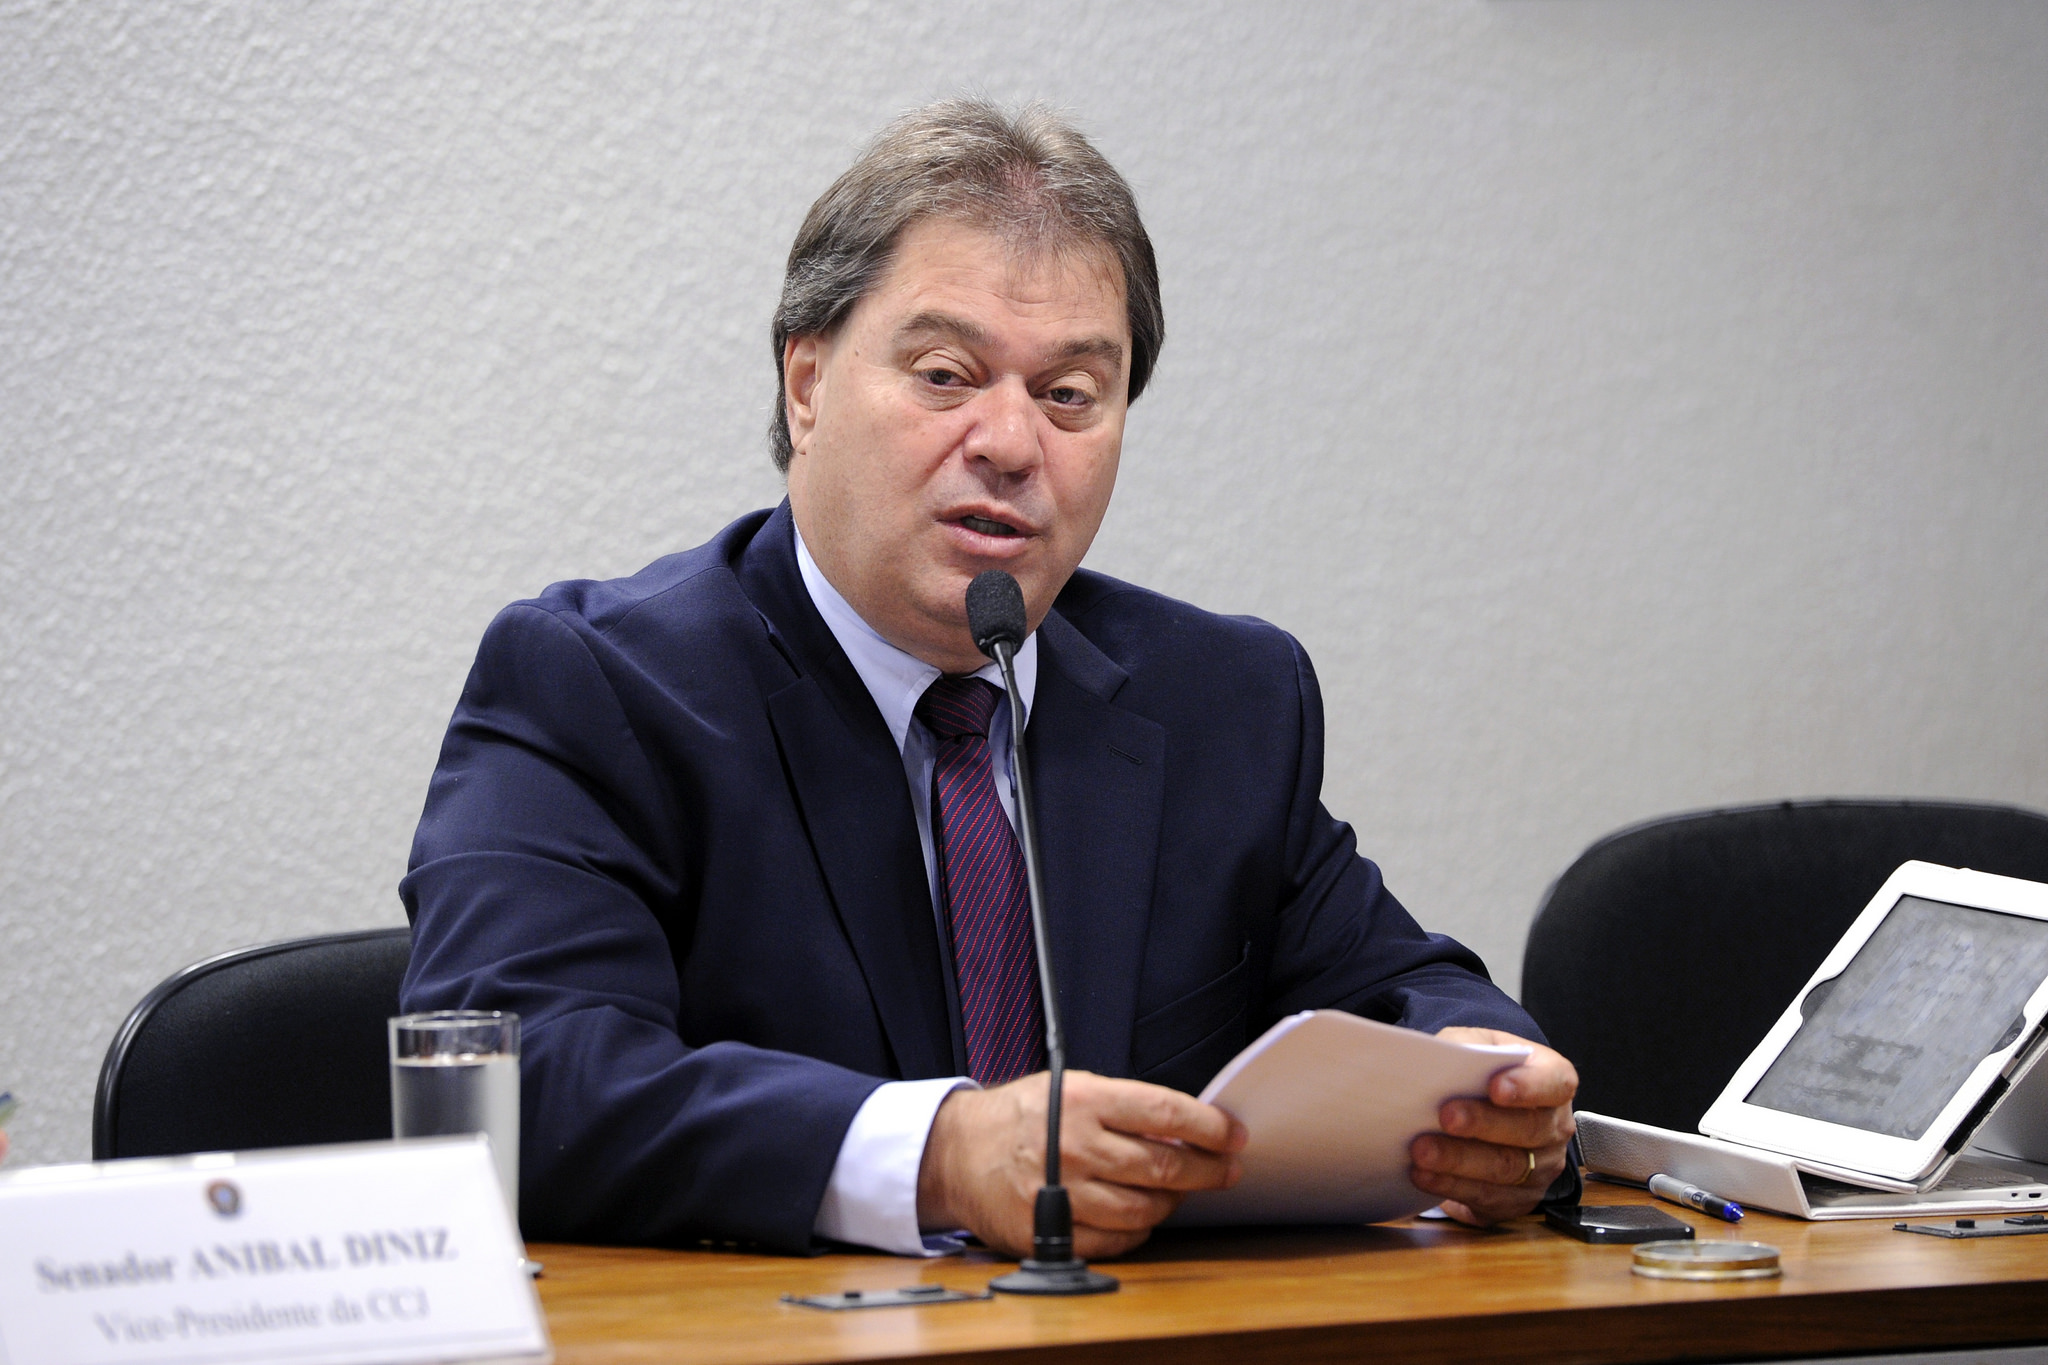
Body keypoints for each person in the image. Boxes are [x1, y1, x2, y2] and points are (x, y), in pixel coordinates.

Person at [400, 98, 1578, 1259]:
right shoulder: (597, 685)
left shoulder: (1222, 699)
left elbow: (1400, 988)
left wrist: (1489, 1091)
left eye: (1068, 395)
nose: (1011, 445)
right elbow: (512, 1073)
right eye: (944, 374)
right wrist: (941, 1154)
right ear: (806, 387)